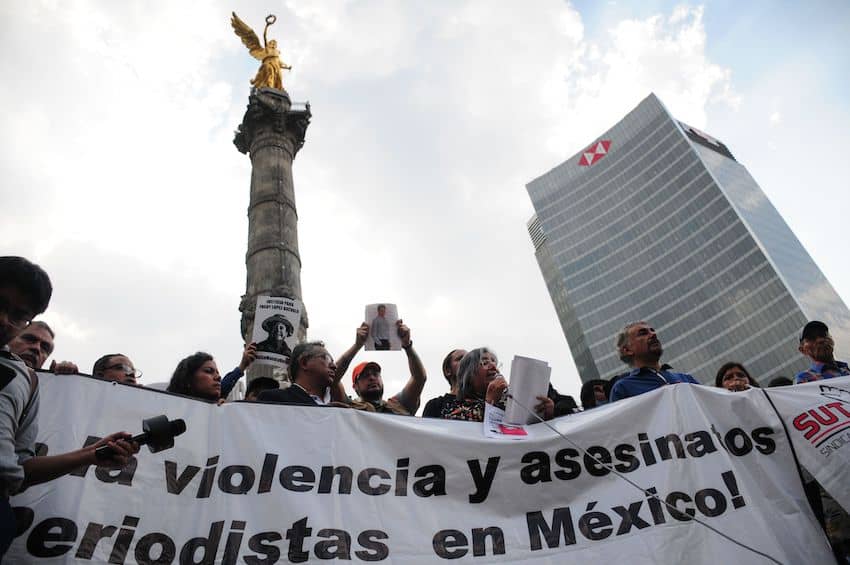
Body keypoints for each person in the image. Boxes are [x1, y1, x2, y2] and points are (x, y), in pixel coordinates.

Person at [0, 256, 138, 558]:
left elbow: (20, 470)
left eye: (18, 315)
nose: (3, 319)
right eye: (0, 304)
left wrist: (92, 454)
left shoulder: (27, 383)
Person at [335, 320, 427, 415]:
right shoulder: (345, 407)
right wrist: (357, 345)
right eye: (365, 376)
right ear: (355, 386)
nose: (372, 378)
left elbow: (419, 378)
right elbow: (333, 377)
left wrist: (408, 346)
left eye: (375, 374)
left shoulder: (399, 405)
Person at [440, 348, 553, 422]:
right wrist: (490, 403)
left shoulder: (512, 402)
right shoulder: (454, 408)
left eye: (494, 362)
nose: (494, 367)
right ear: (468, 374)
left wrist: (547, 414)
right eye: (485, 363)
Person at [609, 322, 699, 402]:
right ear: (627, 350)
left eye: (652, 331)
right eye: (643, 333)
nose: (653, 334)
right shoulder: (623, 388)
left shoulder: (686, 379)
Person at [258, 342, 342, 406]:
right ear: (304, 363)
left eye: (332, 361)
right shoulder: (273, 400)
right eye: (326, 359)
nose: (334, 366)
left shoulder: (341, 406)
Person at [8, 320, 78, 374]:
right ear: (10, 339)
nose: (37, 348)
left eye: (44, 348)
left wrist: (57, 381)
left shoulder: (46, 387)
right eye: (30, 339)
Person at [423, 349, 467, 418]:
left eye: (469, 359)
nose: (467, 361)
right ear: (448, 371)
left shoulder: (485, 403)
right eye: (460, 358)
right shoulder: (435, 405)